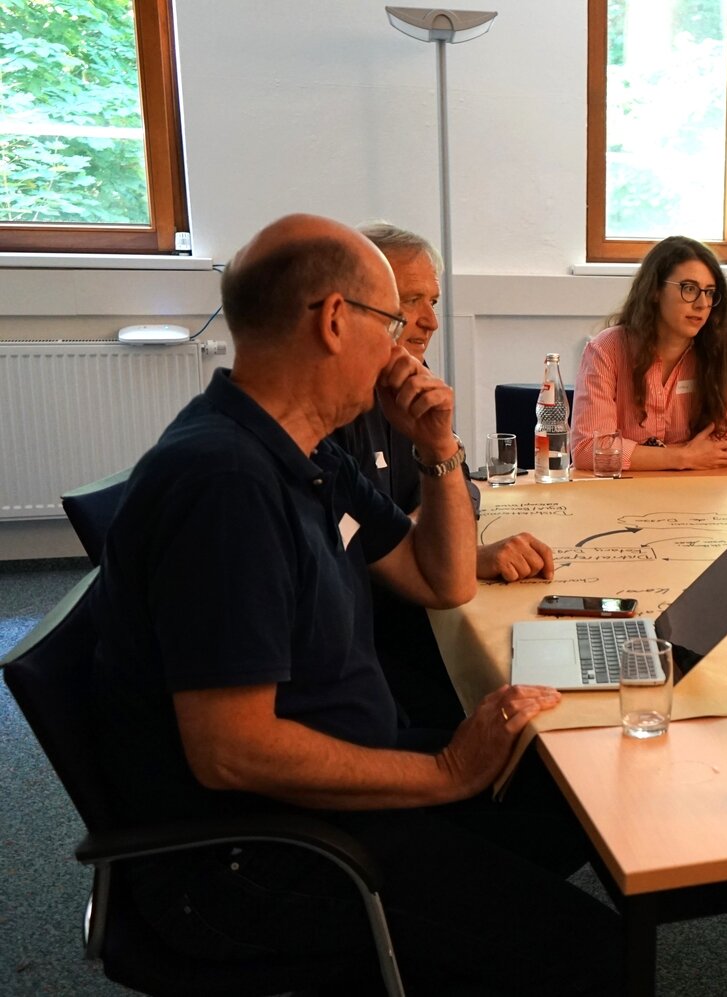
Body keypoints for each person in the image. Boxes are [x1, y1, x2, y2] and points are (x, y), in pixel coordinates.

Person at [87, 214, 622, 996]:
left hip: (349, 774)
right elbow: (231, 749)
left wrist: (438, 447)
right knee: (598, 958)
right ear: (337, 321)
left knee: (568, 790)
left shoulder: (306, 448)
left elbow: (441, 580)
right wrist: (444, 772)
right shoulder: (225, 484)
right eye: (393, 322)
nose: (405, 344)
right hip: (264, 852)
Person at [330, 222, 553, 728]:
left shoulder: (401, 387)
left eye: (432, 300)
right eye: (411, 301)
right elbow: (369, 559)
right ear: (340, 314)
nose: (430, 321)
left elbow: (463, 490)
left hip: (398, 631)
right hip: (374, 651)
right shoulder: (323, 422)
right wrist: (441, 543)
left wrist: (433, 528)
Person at [572, 235, 727, 471]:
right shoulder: (607, 349)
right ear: (655, 290)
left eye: (709, 292)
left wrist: (640, 454)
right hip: (621, 493)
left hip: (693, 492)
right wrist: (682, 457)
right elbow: (588, 450)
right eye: (689, 289)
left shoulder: (715, 351)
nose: (701, 304)